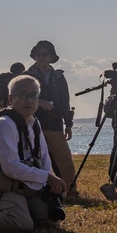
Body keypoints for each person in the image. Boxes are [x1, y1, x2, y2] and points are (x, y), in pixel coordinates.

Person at [0, 75, 66, 233]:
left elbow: (44, 159)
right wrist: (47, 178)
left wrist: (50, 186)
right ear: (11, 98)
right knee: (22, 224)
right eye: (23, 95)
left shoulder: (34, 122)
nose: (29, 100)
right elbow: (10, 168)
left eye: (33, 95)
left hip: (26, 187)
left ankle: (22, 207)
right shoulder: (4, 124)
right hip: (3, 187)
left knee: (50, 220)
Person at [24, 41, 77, 194]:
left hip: (55, 124)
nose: (41, 57)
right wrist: (38, 102)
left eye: (45, 54)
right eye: (38, 54)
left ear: (52, 57)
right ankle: (33, 191)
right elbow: (19, 98)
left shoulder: (59, 77)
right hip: (32, 124)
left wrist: (68, 124)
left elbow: (65, 101)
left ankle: (71, 191)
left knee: (65, 161)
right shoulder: (26, 76)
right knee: (32, 161)